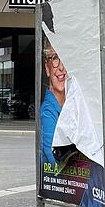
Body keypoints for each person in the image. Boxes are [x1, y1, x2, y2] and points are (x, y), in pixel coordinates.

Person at [40, 38, 67, 167]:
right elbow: (52, 156)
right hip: (58, 183)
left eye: (65, 58)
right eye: (55, 58)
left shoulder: (72, 103)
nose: (61, 67)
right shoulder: (48, 110)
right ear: (47, 68)